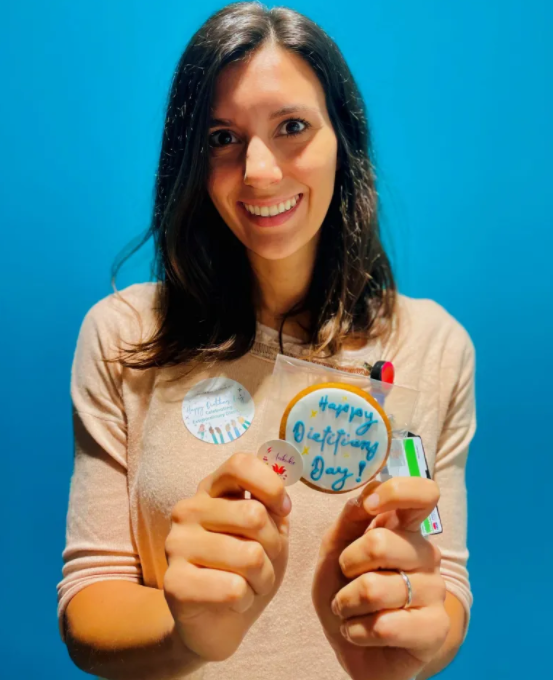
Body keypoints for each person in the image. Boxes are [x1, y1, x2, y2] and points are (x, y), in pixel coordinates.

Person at [57, 3, 476, 680]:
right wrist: (189, 633)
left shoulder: (433, 346)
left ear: (343, 137)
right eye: (222, 137)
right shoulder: (125, 335)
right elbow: (88, 601)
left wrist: (420, 632)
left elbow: (443, 579)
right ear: (191, 158)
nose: (258, 171)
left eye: (291, 127)